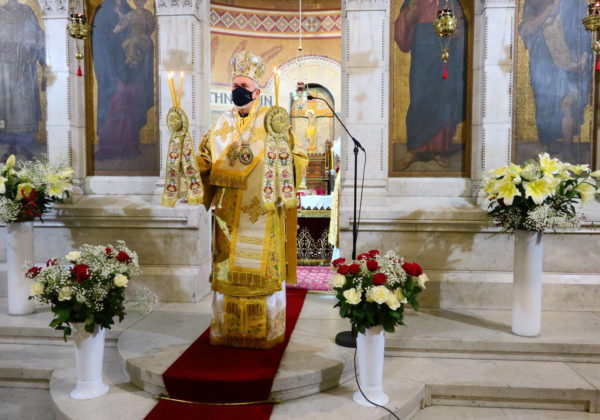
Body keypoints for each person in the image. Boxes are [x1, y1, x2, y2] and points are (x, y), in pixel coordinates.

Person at [196, 50, 307, 349]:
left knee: (260, 269)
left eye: (243, 86)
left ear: (257, 91)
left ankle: (265, 332)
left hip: (263, 212)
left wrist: (284, 161)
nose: (238, 91)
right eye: (234, 86)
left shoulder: (273, 121)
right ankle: (228, 331)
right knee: (230, 272)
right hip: (227, 216)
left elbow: (298, 157)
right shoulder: (221, 124)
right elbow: (206, 160)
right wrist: (190, 163)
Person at [394, 0, 466, 170]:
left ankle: (438, 151)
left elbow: (461, 26)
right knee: (418, 101)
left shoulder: (449, 1)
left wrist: (456, 31)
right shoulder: (413, 1)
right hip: (421, 56)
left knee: (442, 101)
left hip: (443, 55)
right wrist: (411, 14)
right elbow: (401, 34)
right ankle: (413, 149)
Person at [520, 0, 591, 162]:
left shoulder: (576, 2)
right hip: (544, 60)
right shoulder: (534, 1)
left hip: (571, 60)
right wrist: (549, 12)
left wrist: (585, 56)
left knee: (568, 104)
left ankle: (567, 148)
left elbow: (586, 29)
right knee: (546, 104)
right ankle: (547, 146)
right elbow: (526, 29)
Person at [0, 0, 45, 160]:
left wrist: (45, 65)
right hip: (4, 71)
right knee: (7, 109)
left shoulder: (27, 12)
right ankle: (10, 146)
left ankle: (23, 145)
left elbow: (39, 38)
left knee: (25, 108)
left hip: (24, 69)